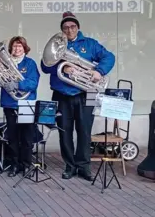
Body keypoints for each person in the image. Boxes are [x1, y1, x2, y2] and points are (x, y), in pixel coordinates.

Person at [41, 11, 115, 181]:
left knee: (84, 130)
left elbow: (109, 57)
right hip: (61, 95)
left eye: (72, 26)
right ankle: (70, 166)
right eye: (66, 27)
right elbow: (45, 66)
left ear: (78, 27)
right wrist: (62, 67)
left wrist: (99, 71)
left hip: (85, 93)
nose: (69, 29)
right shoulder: (57, 45)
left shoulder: (90, 44)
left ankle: (84, 166)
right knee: (64, 132)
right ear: (62, 30)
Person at [0, 36, 40, 177]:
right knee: (12, 137)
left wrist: (18, 84)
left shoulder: (30, 63)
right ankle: (14, 165)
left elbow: (33, 83)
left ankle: (26, 165)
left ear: (24, 48)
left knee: (26, 137)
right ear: (10, 49)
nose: (17, 49)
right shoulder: (5, 63)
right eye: (14, 46)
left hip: (26, 103)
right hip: (10, 103)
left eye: (20, 46)